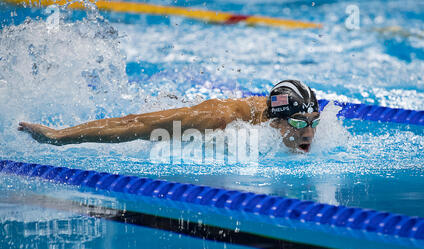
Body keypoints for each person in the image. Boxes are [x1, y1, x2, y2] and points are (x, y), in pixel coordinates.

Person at [18, 79, 320, 153]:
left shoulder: (284, 115)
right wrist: (59, 137)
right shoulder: (221, 119)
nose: (309, 134)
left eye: (313, 122)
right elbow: (135, 124)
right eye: (298, 124)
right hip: (203, 117)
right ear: (276, 121)